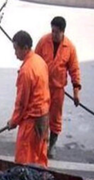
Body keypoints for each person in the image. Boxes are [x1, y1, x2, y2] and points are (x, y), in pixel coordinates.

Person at [35, 16, 81, 159]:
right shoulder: (43, 41)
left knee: (55, 118)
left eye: (56, 32)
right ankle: (40, 142)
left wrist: (76, 91)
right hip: (42, 88)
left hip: (57, 90)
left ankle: (52, 144)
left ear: (62, 32)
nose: (53, 34)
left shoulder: (70, 48)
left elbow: (74, 70)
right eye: (52, 31)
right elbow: (34, 60)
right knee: (40, 115)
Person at [7, 31, 50, 167]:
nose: (15, 54)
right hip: (43, 118)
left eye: (16, 49)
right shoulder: (39, 61)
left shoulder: (26, 71)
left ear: (25, 48)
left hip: (31, 122)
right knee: (40, 159)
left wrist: (13, 121)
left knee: (24, 162)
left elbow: (21, 103)